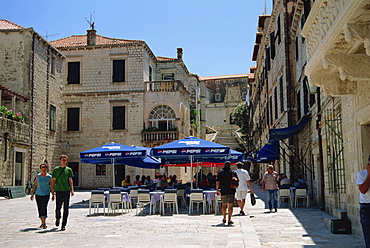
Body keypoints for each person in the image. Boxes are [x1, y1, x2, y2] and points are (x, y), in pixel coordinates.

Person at [51, 155, 74, 231]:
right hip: (59, 190)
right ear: (60, 160)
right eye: (62, 159)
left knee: (66, 208)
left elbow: (70, 179)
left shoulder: (68, 170)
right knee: (58, 207)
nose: (64, 161)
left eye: (65, 160)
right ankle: (58, 218)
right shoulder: (56, 169)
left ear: (66, 161)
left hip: (66, 190)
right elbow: (53, 180)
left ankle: (63, 225)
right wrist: (52, 189)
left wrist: (72, 189)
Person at [30, 163, 53, 229]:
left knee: (44, 207)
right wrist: (32, 194)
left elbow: (51, 186)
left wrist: (53, 194)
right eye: (42, 167)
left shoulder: (49, 177)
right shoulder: (38, 176)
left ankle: (44, 222)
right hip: (38, 194)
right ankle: (42, 222)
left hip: (46, 194)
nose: (43, 169)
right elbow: (35, 185)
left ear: (46, 168)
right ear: (40, 168)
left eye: (45, 167)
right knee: (39, 208)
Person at [216, 161, 236, 225]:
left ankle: (224, 218)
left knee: (224, 205)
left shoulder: (220, 173)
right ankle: (229, 219)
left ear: (224, 165)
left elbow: (217, 182)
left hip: (223, 190)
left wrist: (217, 190)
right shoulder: (232, 172)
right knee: (230, 205)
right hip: (231, 190)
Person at [357, 156, 370, 248]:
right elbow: (363, 190)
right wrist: (369, 175)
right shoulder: (362, 174)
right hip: (367, 206)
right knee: (368, 233)